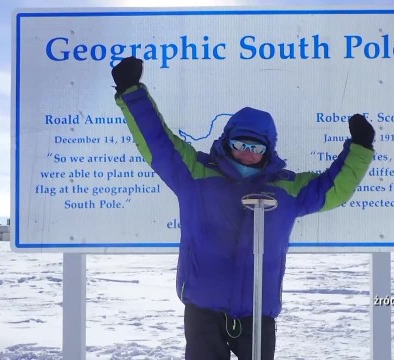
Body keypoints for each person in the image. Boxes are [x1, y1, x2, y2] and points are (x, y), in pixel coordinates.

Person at [111, 56, 375, 360]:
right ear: (227, 141)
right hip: (203, 309)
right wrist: (131, 91)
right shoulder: (195, 174)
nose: (247, 153)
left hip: (258, 313)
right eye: (241, 144)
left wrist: (360, 148)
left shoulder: (286, 189)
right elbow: (158, 142)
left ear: (268, 149)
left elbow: (334, 189)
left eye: (256, 147)